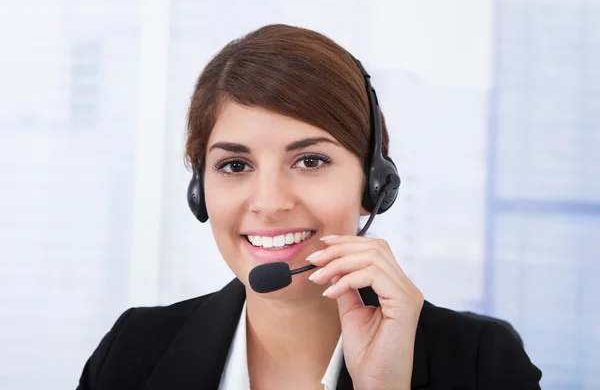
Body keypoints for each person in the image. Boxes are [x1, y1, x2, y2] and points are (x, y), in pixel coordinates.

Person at [77, 24, 542, 390]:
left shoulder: (484, 363)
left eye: (310, 160)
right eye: (236, 165)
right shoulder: (133, 351)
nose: (270, 203)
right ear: (200, 191)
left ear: (374, 183)